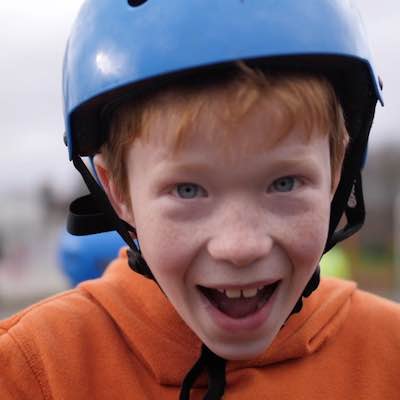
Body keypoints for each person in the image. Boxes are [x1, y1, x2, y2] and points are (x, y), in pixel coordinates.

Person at [1, 1, 399, 399]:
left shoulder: (390, 355)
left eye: (285, 183)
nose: (240, 247)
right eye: (188, 190)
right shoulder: (34, 373)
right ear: (117, 193)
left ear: (336, 173)